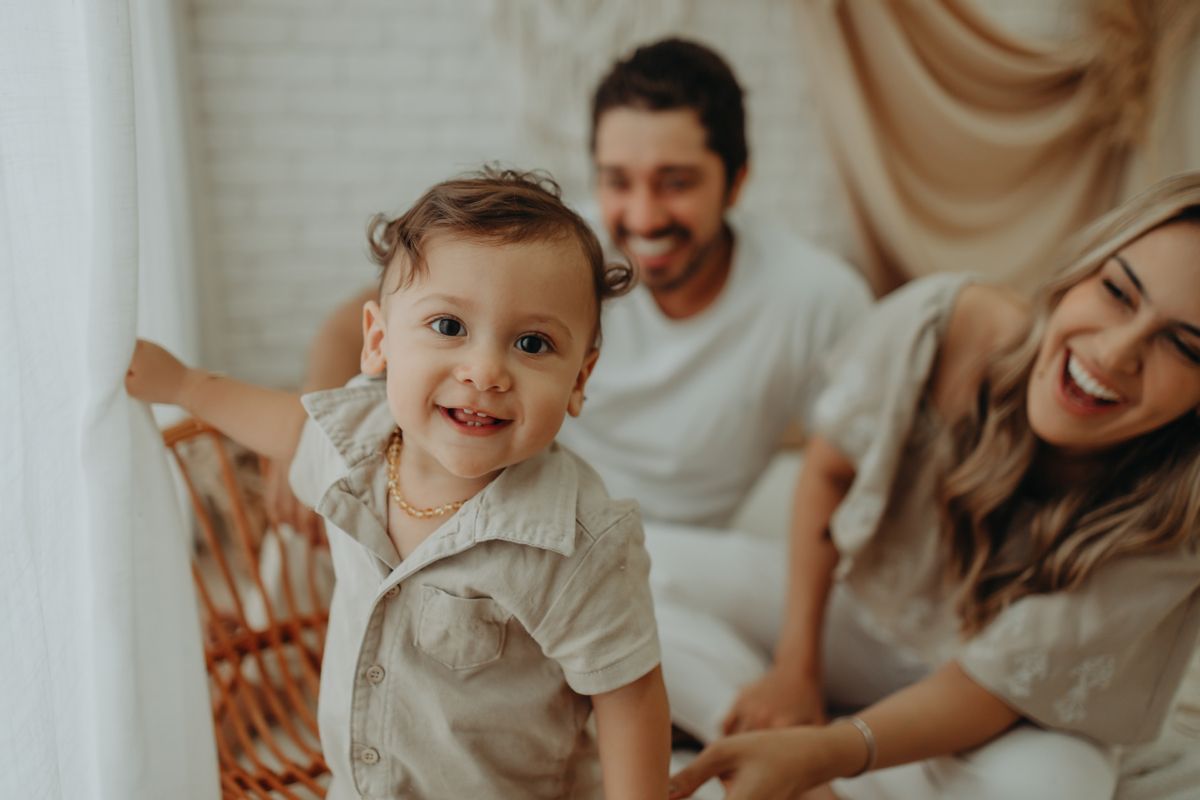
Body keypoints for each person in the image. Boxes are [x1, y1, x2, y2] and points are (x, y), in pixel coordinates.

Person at [278, 37, 873, 744]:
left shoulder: (814, 295)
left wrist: (799, 667)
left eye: (675, 182)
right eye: (620, 180)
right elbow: (362, 317)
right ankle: (755, 735)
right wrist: (319, 417)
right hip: (532, 527)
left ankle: (774, 722)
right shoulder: (562, 259)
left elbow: (840, 472)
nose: (644, 215)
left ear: (736, 181)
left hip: (661, 553)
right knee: (305, 553)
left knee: (666, 592)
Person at [126, 169, 671, 800]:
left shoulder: (575, 544)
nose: (485, 371)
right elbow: (283, 426)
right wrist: (185, 386)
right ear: (379, 340)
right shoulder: (357, 444)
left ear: (580, 378)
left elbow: (630, 699)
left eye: (532, 342)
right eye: (448, 327)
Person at [668, 172, 1200, 800]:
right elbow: (829, 472)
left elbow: (989, 686)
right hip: (868, 623)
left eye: (1184, 346)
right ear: (1081, 273)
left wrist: (826, 755)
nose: (1115, 353)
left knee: (1058, 785)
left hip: (1006, 709)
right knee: (630, 568)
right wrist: (794, 670)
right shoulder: (949, 325)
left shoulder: (1182, 507)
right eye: (1117, 292)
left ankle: (809, 770)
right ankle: (770, 740)